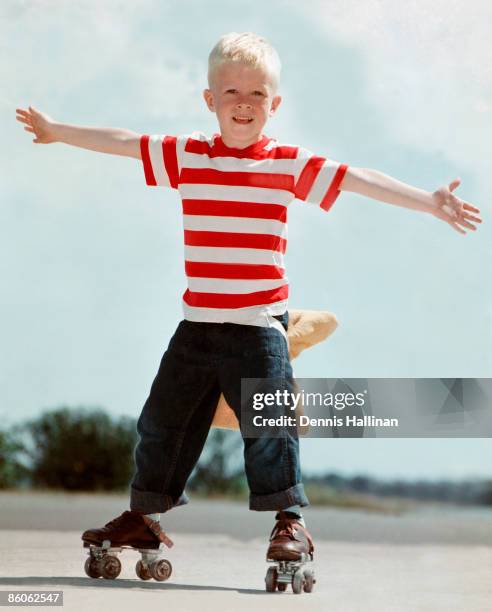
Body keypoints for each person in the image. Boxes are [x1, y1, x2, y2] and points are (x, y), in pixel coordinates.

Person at [16, 31, 481, 582]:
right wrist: (57, 132)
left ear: (274, 104)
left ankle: (289, 523)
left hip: (259, 328)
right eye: (231, 90)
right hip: (196, 328)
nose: (244, 102)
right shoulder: (188, 155)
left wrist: (429, 202)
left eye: (257, 94)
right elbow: (124, 140)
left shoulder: (286, 164)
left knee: (270, 429)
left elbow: (358, 179)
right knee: (162, 425)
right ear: (209, 100)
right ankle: (144, 517)